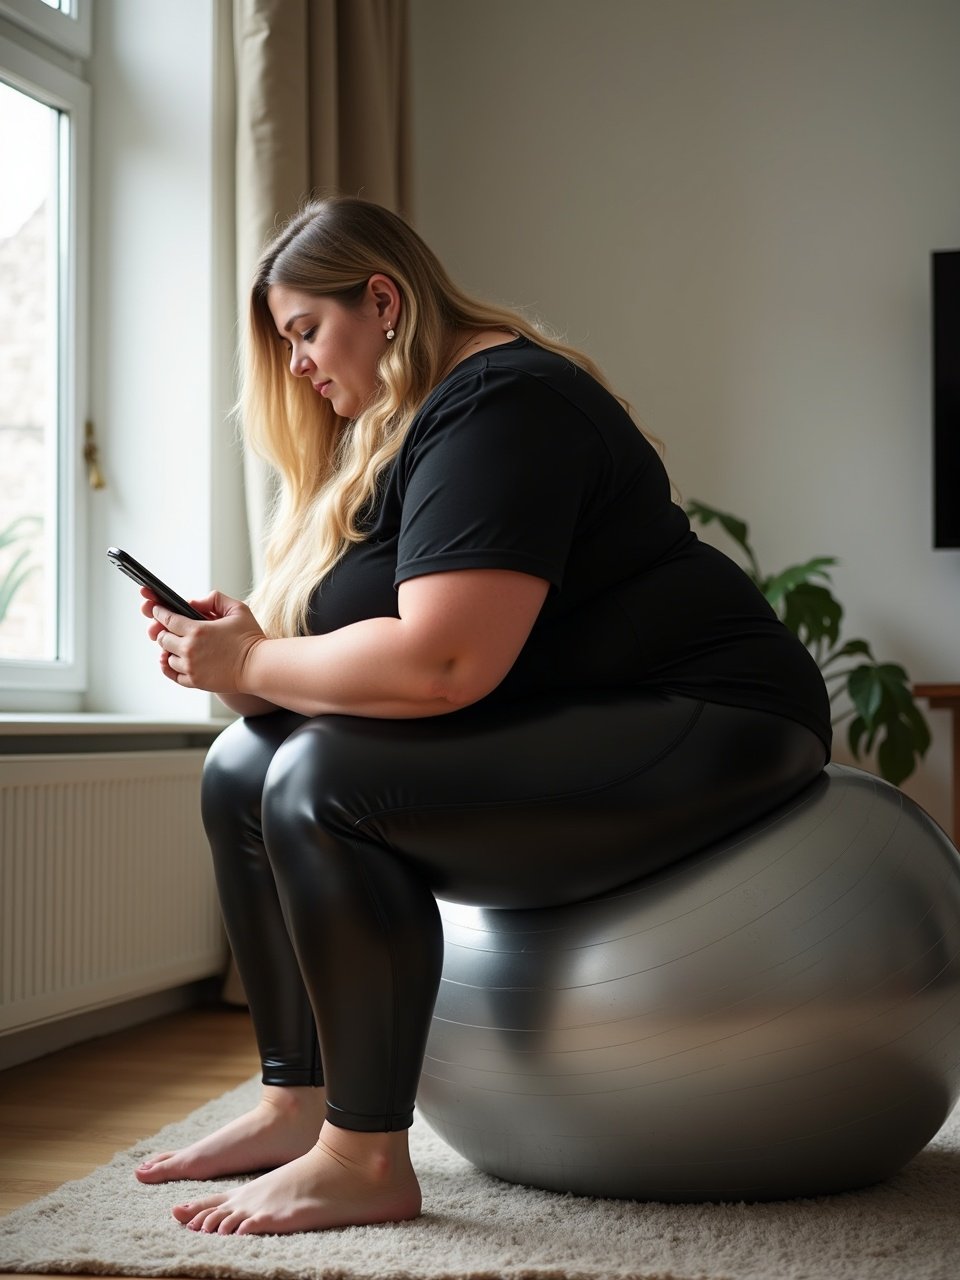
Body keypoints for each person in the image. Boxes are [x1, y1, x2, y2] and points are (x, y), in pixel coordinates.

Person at [132, 196, 831, 1236]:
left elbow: (446, 663)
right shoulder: (407, 428)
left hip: (712, 714)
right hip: (583, 712)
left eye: (306, 332)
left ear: (382, 299)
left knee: (322, 782)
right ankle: (298, 1100)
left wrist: (261, 655)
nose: (298, 368)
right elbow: (383, 658)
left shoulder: (502, 401)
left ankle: (364, 1157)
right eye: (284, 346)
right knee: (246, 761)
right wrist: (243, 663)